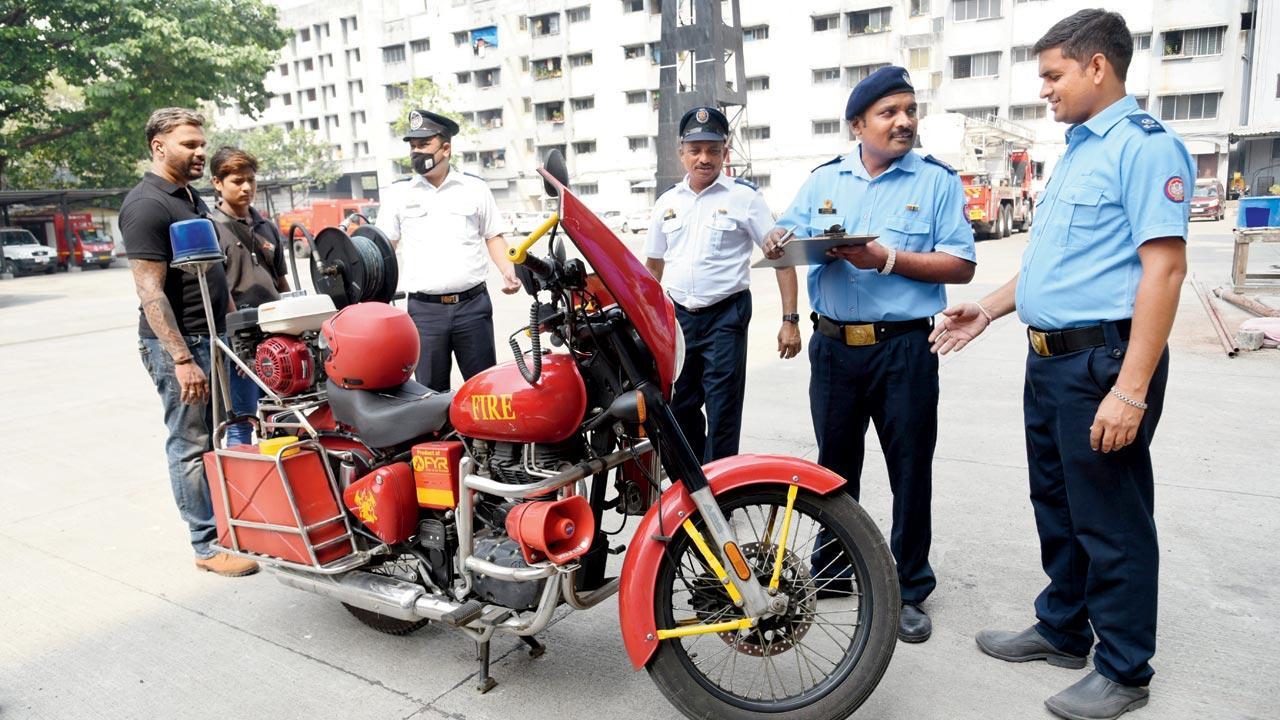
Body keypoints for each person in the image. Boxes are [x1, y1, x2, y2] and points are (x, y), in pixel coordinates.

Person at [929, 10, 1192, 719]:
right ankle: (1063, 627)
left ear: (1096, 67)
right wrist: (986, 308)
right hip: (1049, 363)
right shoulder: (1078, 150)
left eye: (1053, 75)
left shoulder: (1145, 148)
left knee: (1111, 516)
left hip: (1103, 363)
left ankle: (1125, 667)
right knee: (1059, 504)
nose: (1044, 90)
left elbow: (1163, 274)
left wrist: (1131, 389)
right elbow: (1057, 265)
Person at [763, 66, 976, 643]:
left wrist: (886, 260)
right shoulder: (824, 179)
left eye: (910, 111)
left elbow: (961, 264)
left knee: (910, 468)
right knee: (832, 467)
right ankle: (832, 570)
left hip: (904, 347)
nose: (904, 121)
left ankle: (909, 587)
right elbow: (786, 235)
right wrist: (779, 239)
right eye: (889, 113)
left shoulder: (935, 181)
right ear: (859, 125)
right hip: (834, 348)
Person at [120, 108, 258, 577]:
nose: (201, 152)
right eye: (190, 145)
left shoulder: (188, 197)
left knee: (220, 436)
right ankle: (205, 544)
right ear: (159, 147)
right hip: (181, 347)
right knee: (191, 442)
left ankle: (227, 528)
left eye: (202, 144)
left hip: (213, 338)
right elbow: (149, 289)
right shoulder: (146, 205)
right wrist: (181, 358)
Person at [643, 106, 802, 463]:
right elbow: (652, 268)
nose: (704, 158)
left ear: (725, 153)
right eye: (695, 149)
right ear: (681, 152)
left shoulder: (745, 198)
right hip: (679, 319)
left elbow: (781, 257)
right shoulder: (666, 203)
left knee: (723, 411)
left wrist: (789, 320)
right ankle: (699, 483)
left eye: (713, 150)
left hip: (725, 317)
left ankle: (721, 499)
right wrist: (646, 325)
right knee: (679, 407)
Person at [377, 108, 520, 391]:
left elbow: (493, 236)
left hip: (472, 308)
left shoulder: (475, 189)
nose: (416, 152)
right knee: (429, 394)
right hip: (424, 312)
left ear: (445, 148)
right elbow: (384, 249)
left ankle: (484, 438)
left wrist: (507, 271)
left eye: (423, 144)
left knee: (484, 391)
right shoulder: (399, 195)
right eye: (412, 146)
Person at [209, 146, 290, 447]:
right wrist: (238, 347)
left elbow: (281, 282)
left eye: (251, 180)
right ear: (218, 182)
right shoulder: (211, 229)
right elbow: (218, 289)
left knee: (282, 412)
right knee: (242, 420)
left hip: (276, 334)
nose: (246, 188)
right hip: (239, 339)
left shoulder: (266, 227)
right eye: (237, 181)